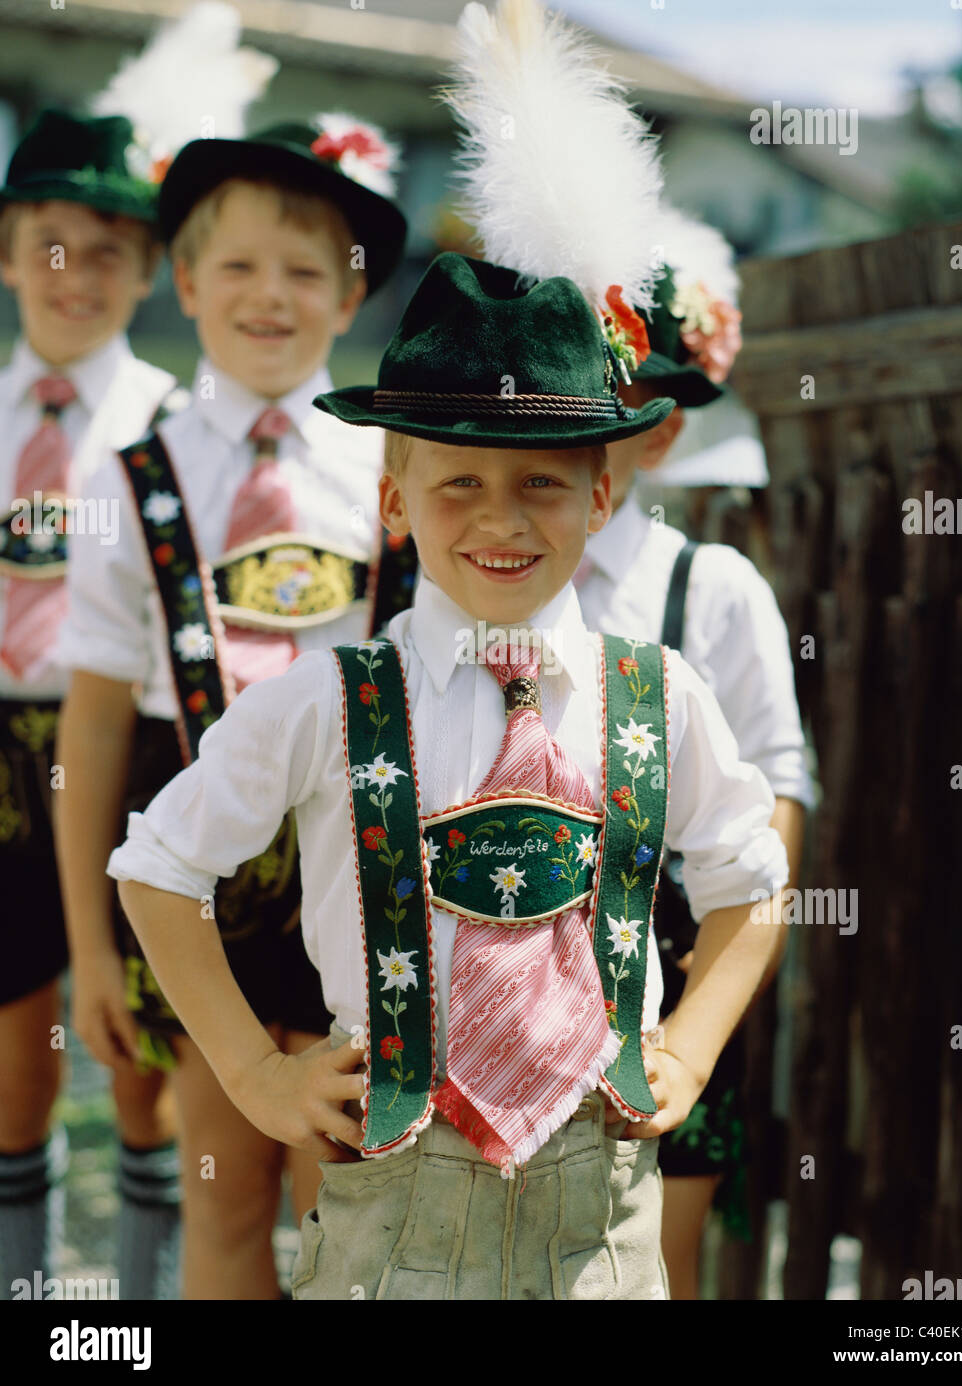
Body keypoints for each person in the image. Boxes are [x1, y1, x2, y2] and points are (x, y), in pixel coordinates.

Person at [107, 246, 789, 1300]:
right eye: (458, 480)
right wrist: (253, 1071)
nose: (501, 518)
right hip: (394, 1215)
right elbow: (157, 865)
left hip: (599, 1213)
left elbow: (752, 879)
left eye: (542, 484)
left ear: (601, 496)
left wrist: (691, 1050)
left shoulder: (659, 695)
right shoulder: (327, 697)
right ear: (392, 499)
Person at [54, 111, 407, 1299]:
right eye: (240, 266)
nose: (272, 294)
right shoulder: (133, 477)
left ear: (349, 297)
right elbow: (94, 721)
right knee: (228, 1191)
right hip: (197, 873)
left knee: (349, 1200)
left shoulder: (392, 473)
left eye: (306, 270)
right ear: (188, 282)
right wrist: (90, 943)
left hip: (360, 862)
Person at [575, 205, 814, 1297]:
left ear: (665, 428)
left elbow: (778, 781)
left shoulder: (707, 588)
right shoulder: (458, 564)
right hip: (499, 976)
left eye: (613, 398)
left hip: (659, 982)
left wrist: (701, 1006)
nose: (575, 416)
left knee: (648, 1266)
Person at [0, 106, 180, 1302]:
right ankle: (25, 1289)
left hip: (132, 745)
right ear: (10, 253)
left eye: (111, 249)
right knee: (14, 1037)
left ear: (153, 268)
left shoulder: (171, 418)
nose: (78, 275)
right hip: (0, 745)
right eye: (52, 244)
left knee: (140, 1040)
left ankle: (145, 1303)